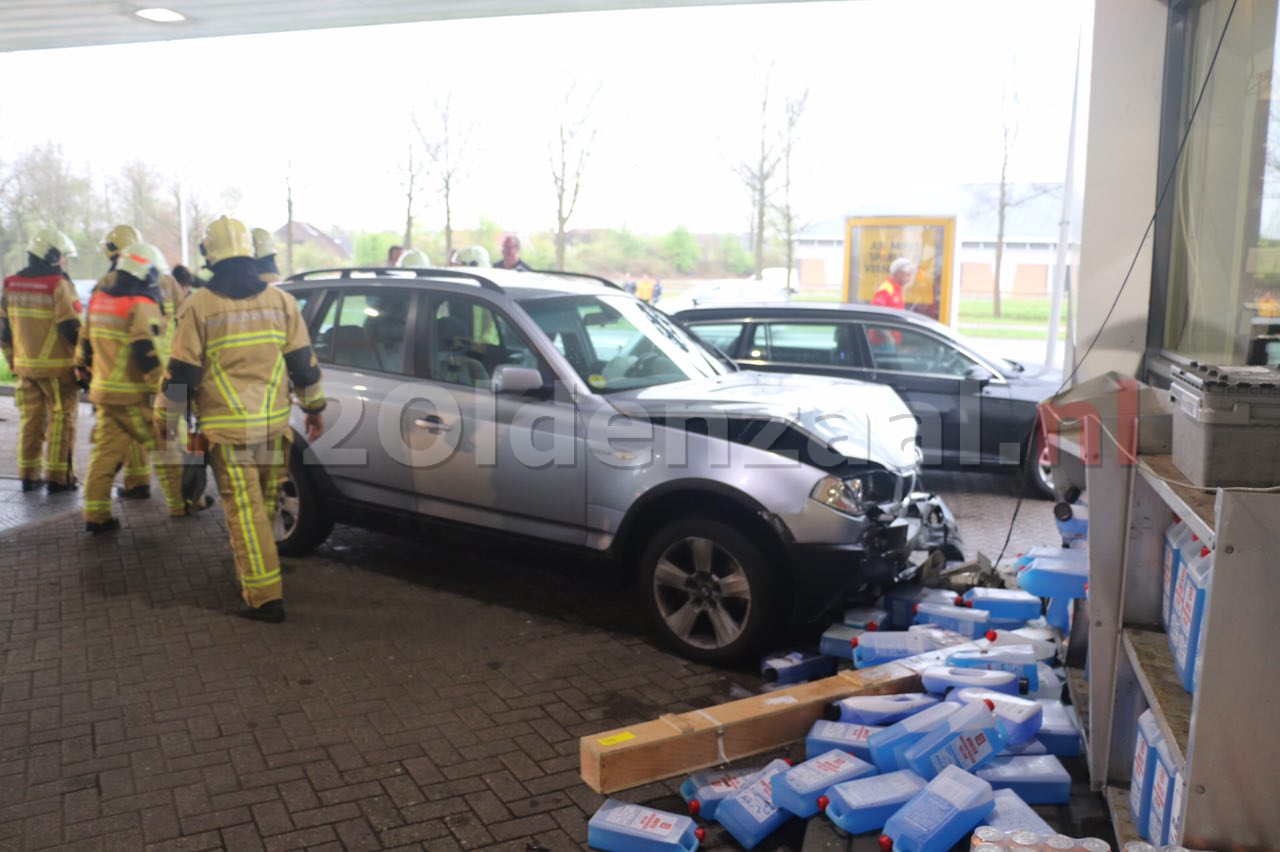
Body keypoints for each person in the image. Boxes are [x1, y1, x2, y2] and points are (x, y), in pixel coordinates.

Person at [155, 216, 326, 623]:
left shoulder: (199, 305)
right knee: (264, 504)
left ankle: (264, 596)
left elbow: (181, 373)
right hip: (273, 427)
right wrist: (315, 409)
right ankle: (256, 572)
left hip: (228, 432)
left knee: (245, 512)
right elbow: (303, 364)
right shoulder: (281, 302)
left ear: (210, 257)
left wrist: (166, 420)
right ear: (251, 256)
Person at [79, 243, 188, 532]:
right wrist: (164, 393)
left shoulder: (100, 299)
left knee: (105, 452)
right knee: (165, 445)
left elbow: (86, 345)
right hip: (133, 393)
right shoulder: (140, 304)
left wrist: (86, 373)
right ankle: (183, 503)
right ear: (145, 272)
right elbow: (146, 352)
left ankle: (96, 513)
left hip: (104, 391)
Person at [1, 228, 82, 493]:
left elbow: (3, 331)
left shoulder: (10, 284)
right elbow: (71, 329)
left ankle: (28, 474)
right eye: (62, 256)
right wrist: (82, 363)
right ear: (51, 255)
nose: (64, 262)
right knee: (62, 419)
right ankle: (59, 478)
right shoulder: (58, 285)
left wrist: (12, 360)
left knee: (30, 421)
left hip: (24, 368)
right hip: (58, 369)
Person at [868, 257, 914, 347]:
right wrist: (889, 339)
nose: (909, 279)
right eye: (907, 275)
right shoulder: (886, 290)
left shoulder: (896, 289)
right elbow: (876, 317)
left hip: (890, 342)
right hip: (882, 344)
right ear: (898, 273)